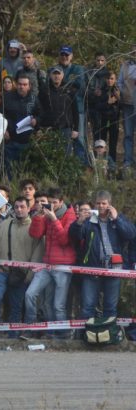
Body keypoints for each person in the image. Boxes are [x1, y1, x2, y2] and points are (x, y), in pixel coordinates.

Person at [70, 190, 136, 321]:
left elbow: (131, 235)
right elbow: (74, 236)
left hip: (114, 269)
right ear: (94, 204)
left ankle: (108, 337)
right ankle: (86, 337)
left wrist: (117, 219)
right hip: (92, 268)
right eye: (98, 203)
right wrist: (79, 222)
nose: (101, 206)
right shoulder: (89, 220)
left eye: (104, 203)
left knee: (110, 307)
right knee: (87, 307)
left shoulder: (118, 218)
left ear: (110, 204)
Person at [24, 187, 77, 337]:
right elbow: (35, 234)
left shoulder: (70, 216)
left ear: (61, 202)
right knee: (30, 294)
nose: (52, 206)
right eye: (50, 202)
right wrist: (39, 217)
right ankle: (31, 327)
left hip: (63, 266)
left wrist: (54, 219)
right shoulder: (46, 215)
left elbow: (64, 240)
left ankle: (62, 334)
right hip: (47, 264)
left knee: (58, 305)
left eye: (55, 202)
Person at [0, 197, 43, 328]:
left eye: (22, 207)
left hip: (22, 274)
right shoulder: (4, 225)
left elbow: (38, 253)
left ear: (29, 208)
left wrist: (29, 275)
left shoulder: (34, 227)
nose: (19, 210)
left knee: (16, 306)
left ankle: (14, 333)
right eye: (16, 207)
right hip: (2, 271)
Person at [2, 76, 42, 173]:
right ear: (16, 84)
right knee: (9, 169)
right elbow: (0, 115)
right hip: (10, 139)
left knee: (25, 169)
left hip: (27, 140)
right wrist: (4, 130)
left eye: (24, 85)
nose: (21, 87)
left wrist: (36, 120)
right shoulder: (7, 97)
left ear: (29, 86)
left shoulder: (34, 99)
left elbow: (40, 114)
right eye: (20, 84)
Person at [117, 43, 136, 171]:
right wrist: (123, 93)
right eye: (133, 51)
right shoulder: (124, 65)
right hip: (128, 105)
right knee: (128, 134)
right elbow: (119, 82)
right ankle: (128, 161)